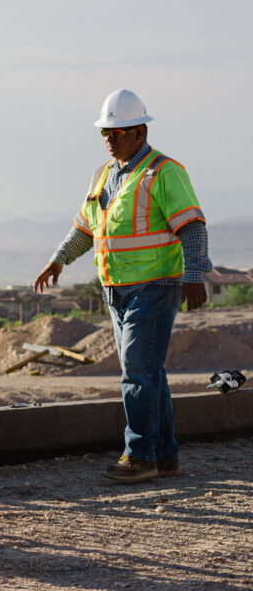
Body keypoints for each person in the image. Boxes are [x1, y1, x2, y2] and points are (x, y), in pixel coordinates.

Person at [33, 89, 211, 483]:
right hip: (117, 291)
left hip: (155, 286)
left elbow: (193, 227)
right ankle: (164, 457)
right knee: (150, 373)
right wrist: (59, 258)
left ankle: (139, 455)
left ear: (140, 131)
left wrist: (195, 275)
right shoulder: (103, 175)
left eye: (119, 131)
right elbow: (84, 227)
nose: (110, 139)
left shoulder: (165, 172)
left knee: (136, 373)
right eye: (105, 133)